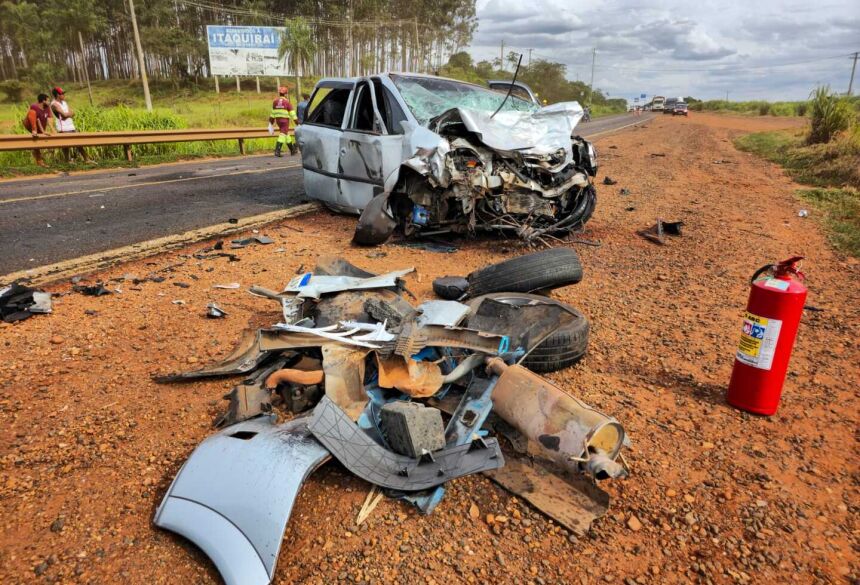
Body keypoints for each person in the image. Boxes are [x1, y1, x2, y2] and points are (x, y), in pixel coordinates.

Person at [50, 87, 91, 163]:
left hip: (70, 126)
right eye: (62, 93)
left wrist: (67, 114)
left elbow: (72, 113)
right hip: (63, 128)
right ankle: (67, 161)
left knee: (79, 143)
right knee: (65, 146)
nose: (64, 95)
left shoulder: (64, 102)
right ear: (58, 95)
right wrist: (68, 114)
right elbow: (65, 115)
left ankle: (86, 159)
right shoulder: (54, 104)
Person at [22, 93, 53, 167]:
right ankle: (34, 131)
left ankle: (40, 161)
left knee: (37, 144)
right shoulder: (34, 106)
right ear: (43, 101)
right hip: (31, 125)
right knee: (32, 112)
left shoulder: (47, 108)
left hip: (40, 126)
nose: (49, 102)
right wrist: (39, 130)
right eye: (48, 100)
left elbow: (50, 119)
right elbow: (37, 119)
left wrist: (52, 130)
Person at [269, 86, 297, 157]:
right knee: (282, 134)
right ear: (286, 94)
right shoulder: (287, 102)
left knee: (286, 134)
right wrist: (297, 123)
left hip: (278, 121)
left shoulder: (275, 102)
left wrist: (271, 123)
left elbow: (272, 113)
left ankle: (292, 150)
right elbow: (293, 114)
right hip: (285, 121)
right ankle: (277, 151)